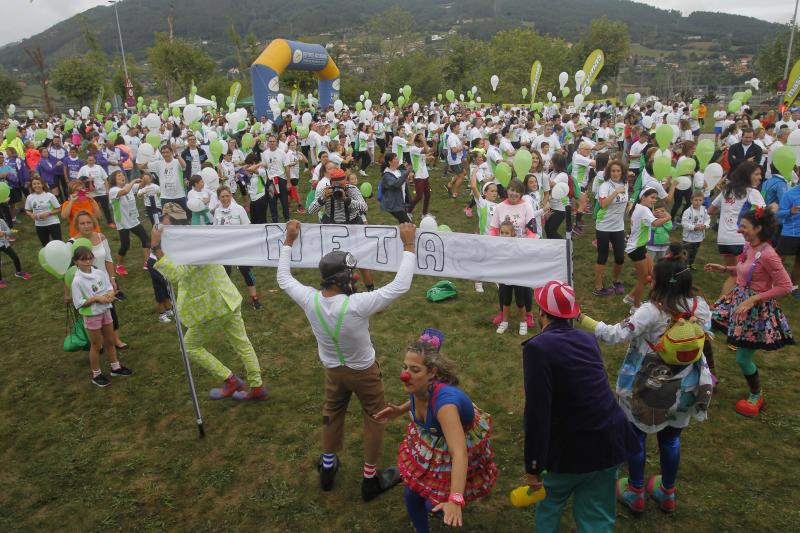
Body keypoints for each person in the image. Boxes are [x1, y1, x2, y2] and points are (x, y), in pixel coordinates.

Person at [277, 219, 417, 501]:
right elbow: (400, 285)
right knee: (375, 417)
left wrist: (288, 241)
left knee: (332, 413)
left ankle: (327, 468)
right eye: (351, 275)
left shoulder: (310, 300)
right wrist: (408, 245)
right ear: (339, 279)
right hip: (364, 372)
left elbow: (283, 279)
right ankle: (369, 479)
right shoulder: (357, 305)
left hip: (333, 371)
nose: (355, 279)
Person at [580, 245, 714, 514]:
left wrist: (582, 319)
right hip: (685, 387)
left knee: (637, 437)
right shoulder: (700, 307)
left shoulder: (651, 311)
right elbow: (705, 336)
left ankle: (636, 490)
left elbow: (615, 335)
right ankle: (667, 493)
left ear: (660, 282)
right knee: (671, 440)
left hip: (646, 388)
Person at [523, 280, 640, 531]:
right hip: (609, 440)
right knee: (596, 515)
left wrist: (533, 466)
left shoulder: (538, 348)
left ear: (543, 313)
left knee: (550, 502)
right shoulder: (588, 340)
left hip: (570, 449)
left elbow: (537, 412)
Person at [375, 329, 497, 532]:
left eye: (414, 370)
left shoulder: (445, 406)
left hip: (453, 439)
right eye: (405, 367)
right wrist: (400, 410)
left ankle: (442, 504)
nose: (405, 375)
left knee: (432, 502)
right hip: (434, 434)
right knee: (411, 493)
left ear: (432, 373)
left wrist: (456, 499)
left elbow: (459, 452)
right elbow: (417, 396)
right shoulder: (417, 385)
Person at [151, 203, 267, 401]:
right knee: (242, 344)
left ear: (171, 224)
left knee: (190, 346)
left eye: (163, 222)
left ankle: (230, 380)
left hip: (214, 306)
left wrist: (156, 248)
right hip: (228, 298)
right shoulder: (195, 236)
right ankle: (257, 387)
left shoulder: (187, 246)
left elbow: (177, 275)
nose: (159, 226)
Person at [707, 209, 794, 416]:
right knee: (702, 327)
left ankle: (756, 395)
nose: (740, 230)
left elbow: (786, 286)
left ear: (758, 229)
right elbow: (744, 268)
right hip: (736, 300)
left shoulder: (769, 255)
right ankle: (709, 377)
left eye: (744, 226)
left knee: (742, 359)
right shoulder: (748, 245)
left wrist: (754, 298)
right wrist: (725, 269)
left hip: (755, 310)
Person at [70, 246, 133, 387]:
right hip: (92, 315)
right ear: (76, 262)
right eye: (83, 259)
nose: (87, 261)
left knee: (110, 341)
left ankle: (115, 367)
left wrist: (110, 294)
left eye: (89, 258)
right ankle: (96, 374)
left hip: (105, 311)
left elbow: (109, 287)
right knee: (97, 345)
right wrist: (96, 298)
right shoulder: (77, 281)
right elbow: (79, 304)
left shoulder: (98, 273)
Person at [68, 211, 128, 349]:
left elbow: (108, 260)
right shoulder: (72, 243)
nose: (86, 226)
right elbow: (70, 270)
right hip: (86, 286)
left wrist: (112, 278)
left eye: (89, 222)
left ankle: (116, 339)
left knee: (110, 311)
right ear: (77, 225)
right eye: (82, 223)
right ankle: (98, 342)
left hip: (104, 282)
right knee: (93, 314)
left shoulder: (101, 237)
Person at [707, 161, 766, 298]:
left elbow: (711, 210)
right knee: (744, 277)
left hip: (723, 239)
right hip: (740, 239)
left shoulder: (727, 190)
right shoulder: (752, 192)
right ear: (747, 175)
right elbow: (763, 212)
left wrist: (728, 211)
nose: (760, 177)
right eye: (757, 174)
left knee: (734, 275)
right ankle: (726, 309)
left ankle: (721, 307)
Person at [212, 186, 262, 309]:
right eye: (222, 196)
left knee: (246, 272)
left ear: (231, 196)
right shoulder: (217, 212)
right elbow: (214, 230)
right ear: (219, 198)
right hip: (225, 249)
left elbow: (248, 227)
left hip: (240, 247)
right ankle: (227, 301)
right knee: (225, 274)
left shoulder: (239, 209)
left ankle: (255, 299)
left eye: (227, 196)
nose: (225, 199)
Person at [624, 187, 671, 309]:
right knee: (643, 279)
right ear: (643, 197)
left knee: (653, 273)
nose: (654, 200)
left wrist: (654, 214)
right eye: (652, 197)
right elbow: (655, 223)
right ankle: (635, 306)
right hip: (636, 249)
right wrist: (668, 218)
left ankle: (630, 297)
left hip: (640, 247)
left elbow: (647, 218)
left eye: (656, 198)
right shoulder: (644, 210)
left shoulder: (639, 207)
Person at [593, 159, 628, 296]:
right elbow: (603, 204)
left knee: (620, 257)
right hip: (603, 226)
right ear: (609, 172)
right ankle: (598, 287)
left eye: (618, 171)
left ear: (622, 172)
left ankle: (616, 280)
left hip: (618, 226)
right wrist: (616, 192)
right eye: (613, 171)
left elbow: (625, 201)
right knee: (603, 256)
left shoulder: (624, 183)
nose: (615, 173)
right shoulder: (605, 186)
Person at [493, 220, 534, 335]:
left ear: (512, 234)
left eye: (507, 233)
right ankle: (505, 322)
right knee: (506, 300)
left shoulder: (518, 244)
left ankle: (523, 322)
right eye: (502, 232)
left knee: (520, 301)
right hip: (505, 276)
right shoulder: (498, 245)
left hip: (517, 277)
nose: (504, 235)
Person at [108, 171, 150, 274]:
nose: (122, 176)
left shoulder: (128, 186)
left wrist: (145, 176)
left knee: (146, 240)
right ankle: (119, 265)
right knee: (125, 245)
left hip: (133, 220)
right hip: (122, 222)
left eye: (122, 174)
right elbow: (125, 191)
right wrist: (133, 181)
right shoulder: (113, 190)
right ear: (114, 180)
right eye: (119, 176)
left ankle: (147, 263)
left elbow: (141, 185)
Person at [776, 181, 800, 298]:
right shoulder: (790, 193)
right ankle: (771, 285)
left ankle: (794, 288)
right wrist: (790, 211)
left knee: (798, 262)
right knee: (778, 260)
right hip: (790, 232)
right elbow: (779, 214)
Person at [24, 175, 62, 246]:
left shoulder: (49, 195)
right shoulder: (30, 197)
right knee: (45, 245)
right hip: (39, 225)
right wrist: (31, 214)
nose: (36, 186)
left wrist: (49, 213)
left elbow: (59, 209)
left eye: (38, 183)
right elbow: (27, 210)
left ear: (42, 184)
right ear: (32, 186)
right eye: (34, 184)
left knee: (58, 243)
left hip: (53, 222)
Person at [379, 153, 414, 224]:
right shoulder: (387, 175)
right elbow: (396, 184)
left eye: (397, 158)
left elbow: (404, 177)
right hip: (394, 205)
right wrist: (407, 172)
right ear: (390, 162)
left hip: (401, 203)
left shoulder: (399, 171)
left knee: (403, 225)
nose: (398, 160)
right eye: (395, 159)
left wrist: (411, 172)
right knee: (409, 225)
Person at [0, 216, 31, 288]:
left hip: (4, 244)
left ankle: (18, 272)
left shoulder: (1, 221)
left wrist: (4, 233)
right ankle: (0, 280)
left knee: (15, 257)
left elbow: (10, 231)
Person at [681, 191, 711, 267]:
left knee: (694, 252)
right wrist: (694, 227)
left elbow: (708, 219)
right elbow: (684, 223)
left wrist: (705, 225)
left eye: (700, 200)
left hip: (699, 238)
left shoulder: (704, 210)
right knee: (686, 253)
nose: (698, 202)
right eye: (696, 200)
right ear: (691, 200)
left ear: (703, 201)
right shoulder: (687, 212)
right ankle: (684, 267)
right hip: (688, 238)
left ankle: (691, 265)